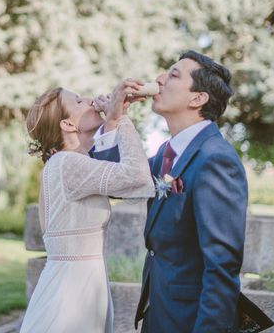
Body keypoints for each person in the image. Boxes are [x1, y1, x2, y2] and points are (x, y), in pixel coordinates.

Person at [92, 50, 248, 333]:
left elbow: (222, 267)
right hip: (159, 313)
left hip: (189, 320)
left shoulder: (215, 159)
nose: (160, 79)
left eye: (173, 74)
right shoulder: (168, 152)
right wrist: (113, 120)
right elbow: (112, 181)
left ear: (197, 98)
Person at [19, 80, 155, 333]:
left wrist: (112, 121)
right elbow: (137, 177)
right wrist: (122, 119)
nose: (91, 99)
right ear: (68, 124)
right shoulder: (66, 164)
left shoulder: (74, 163)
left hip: (82, 287)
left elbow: (131, 190)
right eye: (79, 100)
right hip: (69, 298)